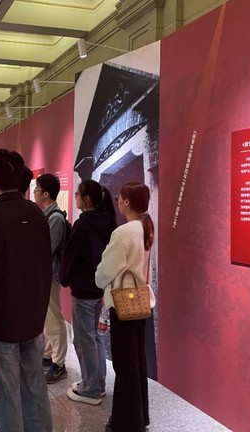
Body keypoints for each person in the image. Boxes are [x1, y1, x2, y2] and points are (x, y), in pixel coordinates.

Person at [0, 148, 53, 432]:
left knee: (6, 394)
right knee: (35, 386)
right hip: (34, 317)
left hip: (1, 321)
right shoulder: (38, 215)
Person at [95, 182, 156, 432]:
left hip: (123, 306)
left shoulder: (123, 233)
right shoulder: (145, 227)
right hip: (141, 303)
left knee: (124, 366)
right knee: (137, 362)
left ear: (127, 201)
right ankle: (139, 418)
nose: (117, 200)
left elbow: (104, 273)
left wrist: (99, 278)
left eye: (119, 197)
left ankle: (126, 423)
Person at [59, 179, 116, 405]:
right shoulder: (108, 221)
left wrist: (63, 277)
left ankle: (90, 388)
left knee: (84, 340)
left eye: (77, 194)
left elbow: (71, 256)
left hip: (83, 289)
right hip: (100, 289)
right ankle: (97, 383)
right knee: (96, 337)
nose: (75, 198)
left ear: (87, 199)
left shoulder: (83, 223)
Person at [33, 173, 69, 384]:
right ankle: (48, 354)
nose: (35, 192)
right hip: (44, 274)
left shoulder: (54, 218)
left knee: (54, 318)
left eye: (37, 189)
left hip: (50, 275)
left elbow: (47, 248)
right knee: (47, 317)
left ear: (46, 194)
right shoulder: (46, 215)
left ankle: (60, 362)